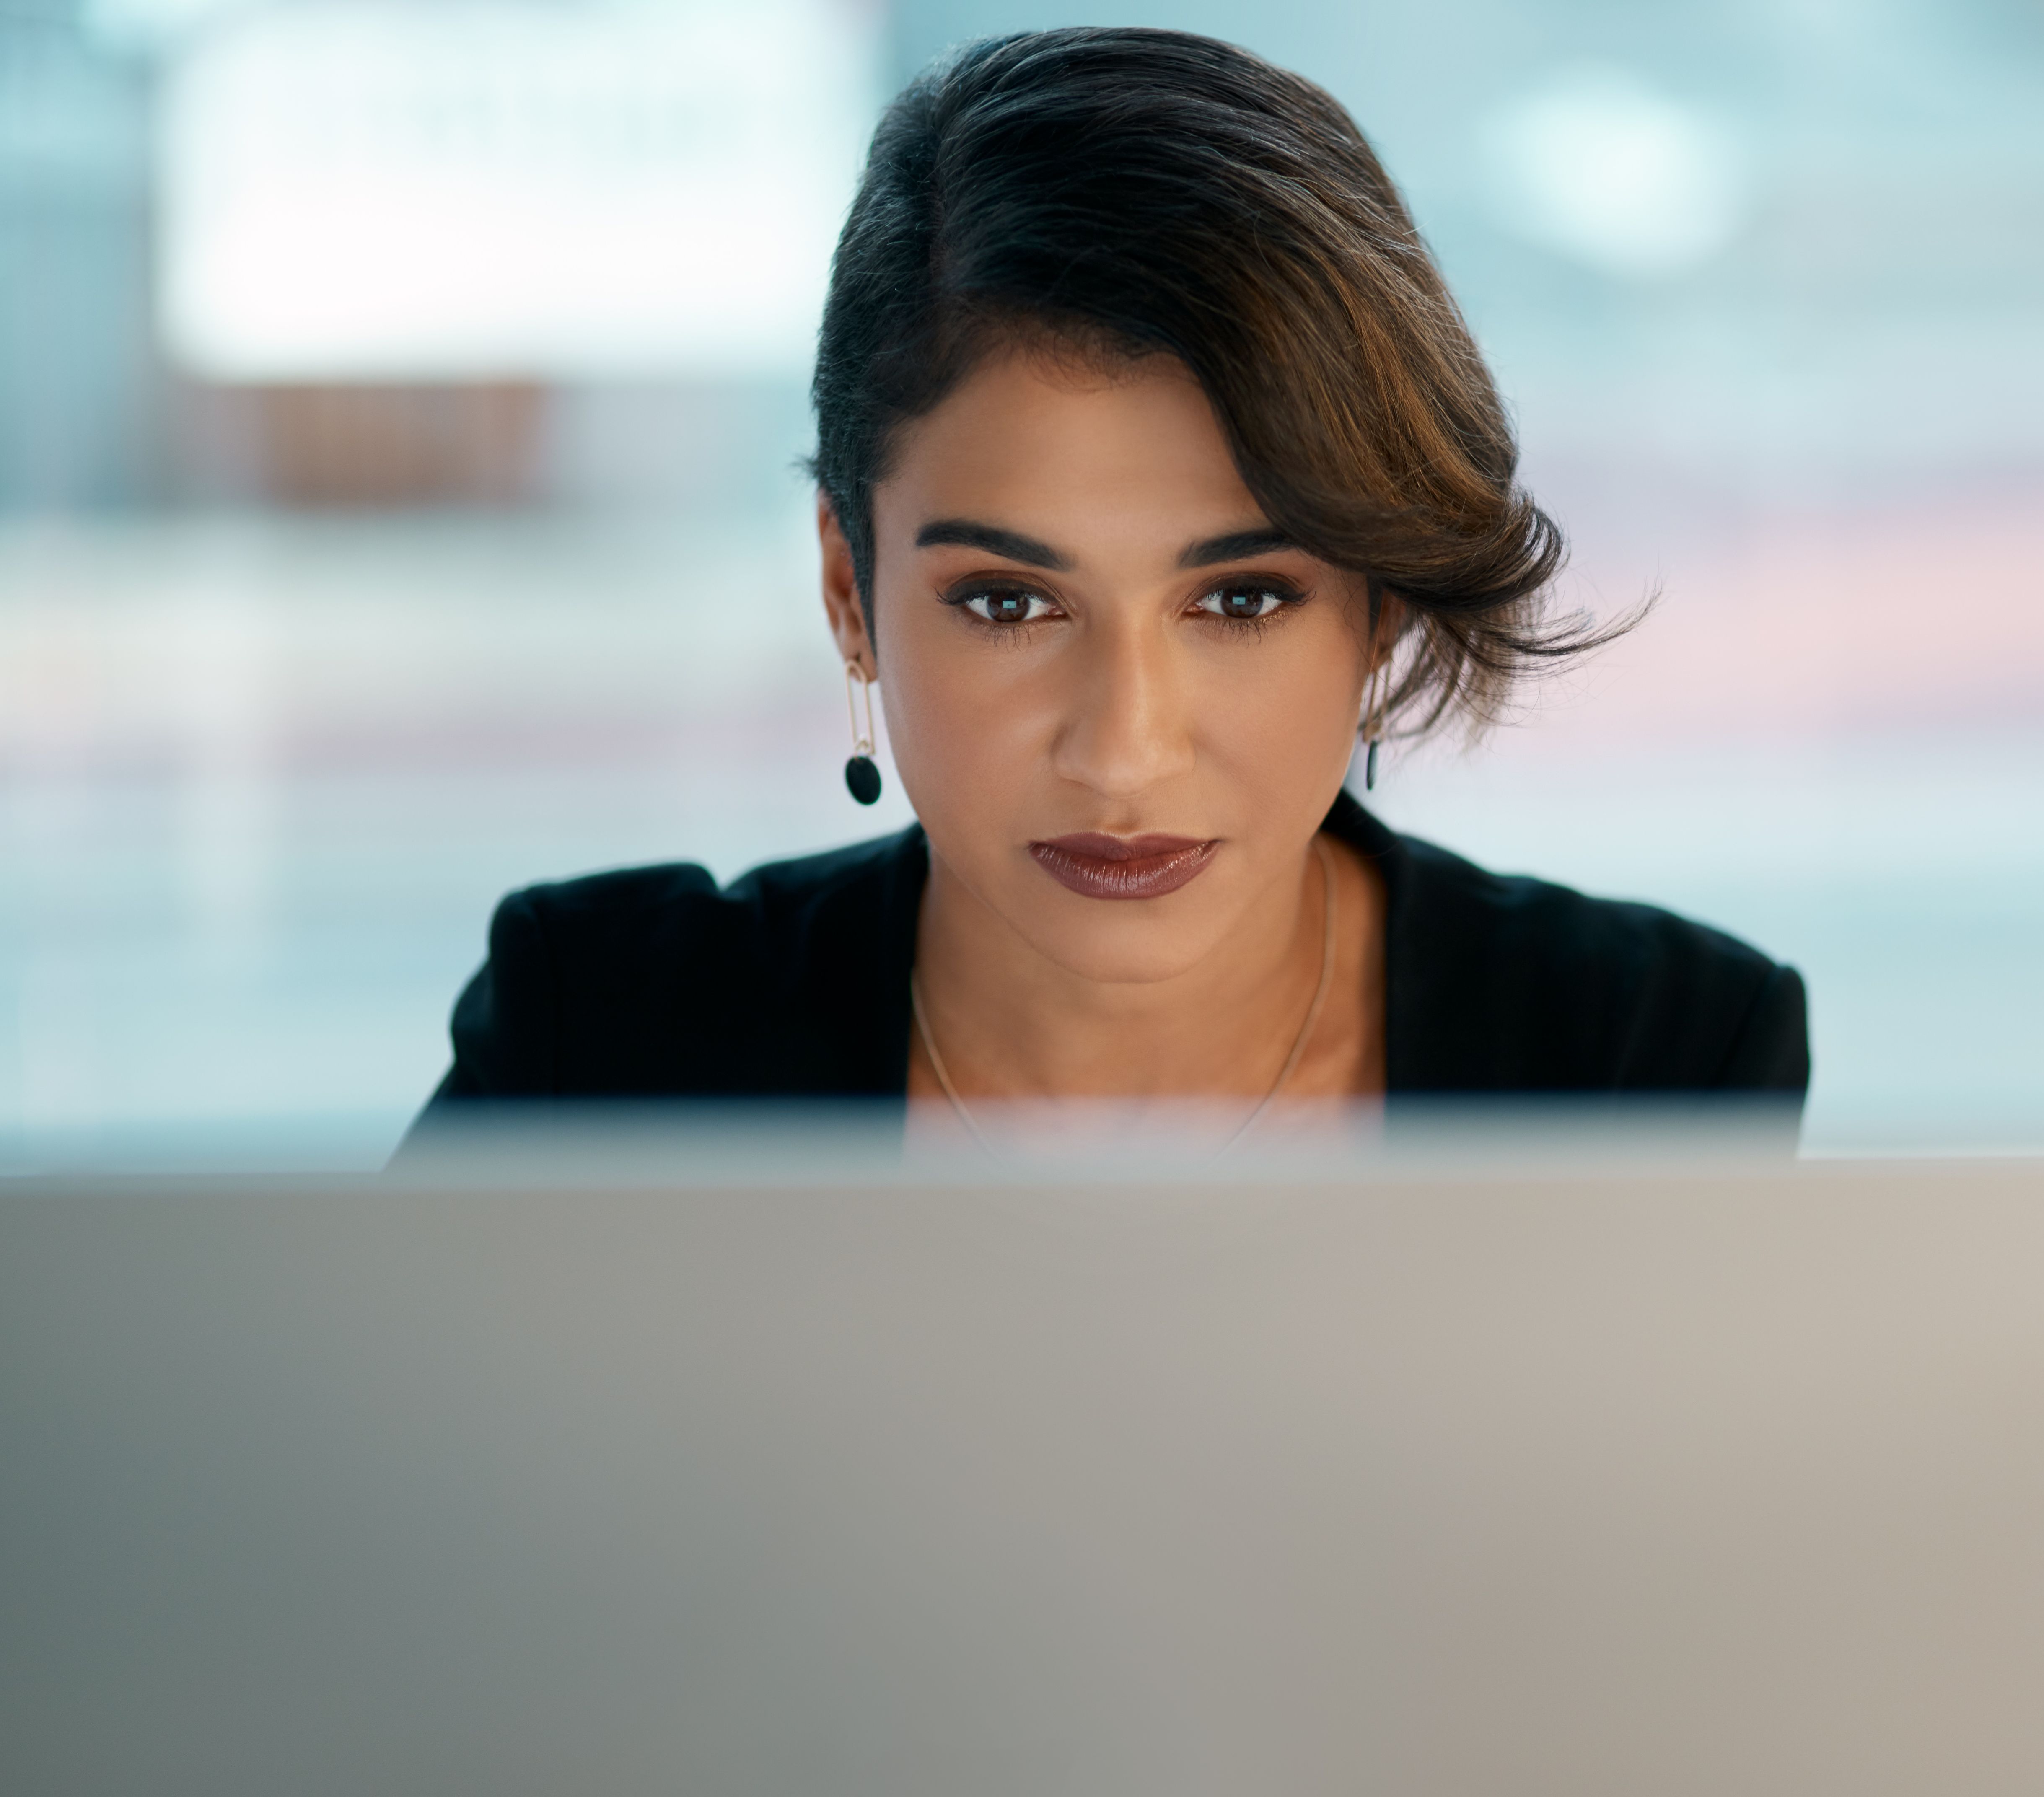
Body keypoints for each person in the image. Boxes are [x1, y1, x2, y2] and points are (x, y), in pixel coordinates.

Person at [413, 27, 1807, 1148]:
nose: (1125, 747)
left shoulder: (1647, 1063)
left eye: (1243, 598)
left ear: (1380, 600)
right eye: (1010, 602)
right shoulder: (592, 1047)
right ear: (851, 590)